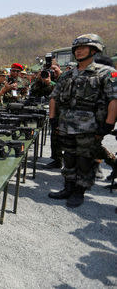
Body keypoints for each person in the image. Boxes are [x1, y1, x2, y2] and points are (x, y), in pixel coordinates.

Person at [48, 34, 117, 208]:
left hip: (90, 127)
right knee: (69, 157)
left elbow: (113, 100)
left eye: (83, 48)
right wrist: (53, 120)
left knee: (85, 160)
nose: (78, 52)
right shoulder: (67, 74)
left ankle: (80, 191)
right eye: (76, 49)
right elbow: (54, 97)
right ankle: (68, 187)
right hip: (66, 126)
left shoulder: (106, 73)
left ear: (94, 50)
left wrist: (108, 124)